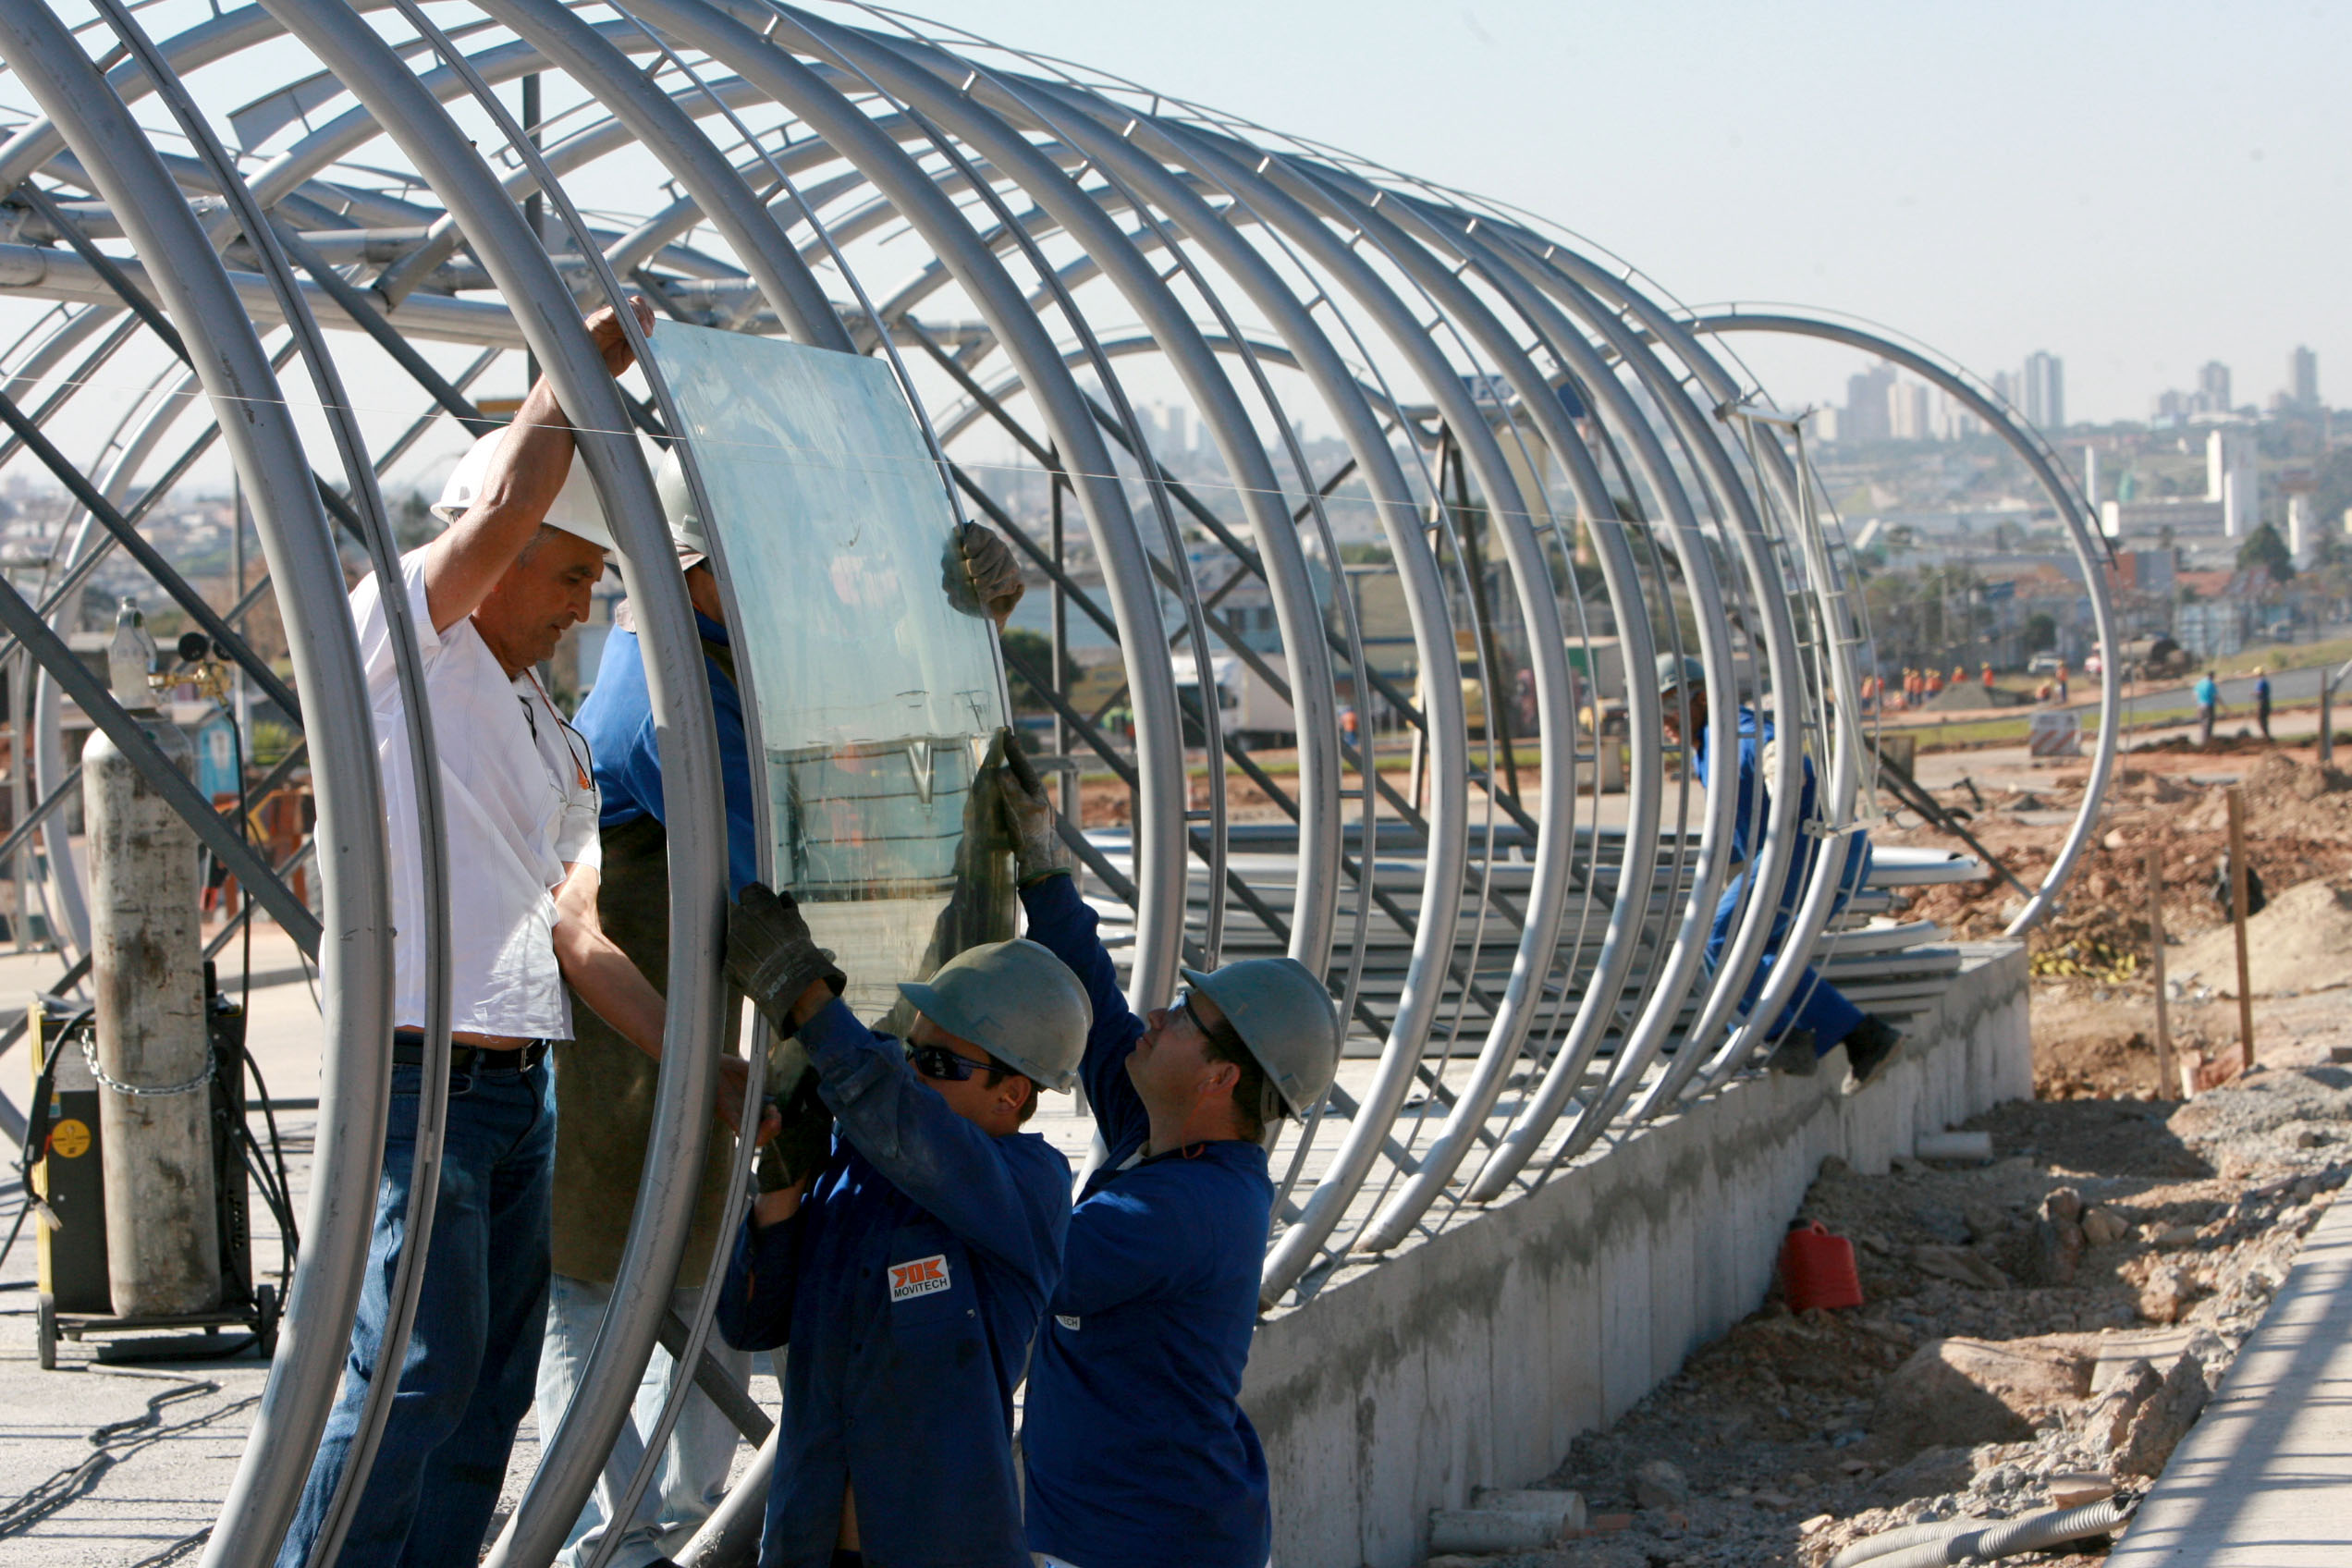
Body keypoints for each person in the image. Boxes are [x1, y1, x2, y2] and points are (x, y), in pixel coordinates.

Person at [278, 300, 758, 1568]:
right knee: (409, 1374)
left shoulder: (537, 725)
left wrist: (697, 1061)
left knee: (486, 1389)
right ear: (495, 557)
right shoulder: (401, 646)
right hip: (417, 1075)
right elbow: (500, 513)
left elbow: (574, 928)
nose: (579, 607)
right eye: (569, 574)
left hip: (508, 1084)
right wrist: (566, 373)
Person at [541, 452, 1027, 1567]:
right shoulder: (661, 705)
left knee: (686, 1377)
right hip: (642, 1103)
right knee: (623, 1389)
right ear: (692, 568)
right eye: (750, 565)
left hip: (704, 1093)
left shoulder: (709, 665)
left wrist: (960, 620)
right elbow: (787, 876)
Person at [991, 747, 1341, 1568]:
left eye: (1185, 1016)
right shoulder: (1169, 1138)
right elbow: (1101, 1007)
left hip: (1136, 1544)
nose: (1158, 1014)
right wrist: (1044, 868)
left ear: (1220, 1076)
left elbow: (1020, 1253)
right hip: (1143, 1529)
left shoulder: (1177, 1212)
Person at [716, 888, 1084, 1568]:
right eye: (910, 1054)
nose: (911, 1074)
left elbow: (913, 1130)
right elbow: (748, 1325)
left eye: (938, 1066)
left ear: (1014, 1094)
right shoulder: (861, 1167)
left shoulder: (1030, 1188)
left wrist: (807, 999)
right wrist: (780, 1193)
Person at [1655, 655, 1903, 1089]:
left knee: (1722, 936)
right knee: (1764, 955)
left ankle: (1781, 1038)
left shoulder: (1734, 731)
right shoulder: (1706, 749)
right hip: (1829, 855)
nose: (1665, 723)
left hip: (1804, 852)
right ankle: (1864, 1039)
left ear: (1701, 699)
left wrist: (1779, 767)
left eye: (1669, 709)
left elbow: (1776, 750)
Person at [2196, 668, 2221, 748]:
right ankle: (2207, 742)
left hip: (2200, 706)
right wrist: (2225, 708)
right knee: (2209, 724)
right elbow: (2216, 697)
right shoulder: (2211, 684)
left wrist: (2198, 705)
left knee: (2203, 724)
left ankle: (2203, 741)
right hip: (2209, 706)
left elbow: (2195, 695)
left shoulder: (2199, 683)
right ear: (2212, 676)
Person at [2254, 666, 2272, 741]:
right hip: (2266, 702)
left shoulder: (2261, 682)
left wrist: (2254, 694)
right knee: (2264, 719)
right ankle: (2266, 735)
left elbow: (2260, 692)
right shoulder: (2265, 681)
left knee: (2260, 718)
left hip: (2262, 702)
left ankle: (2266, 735)